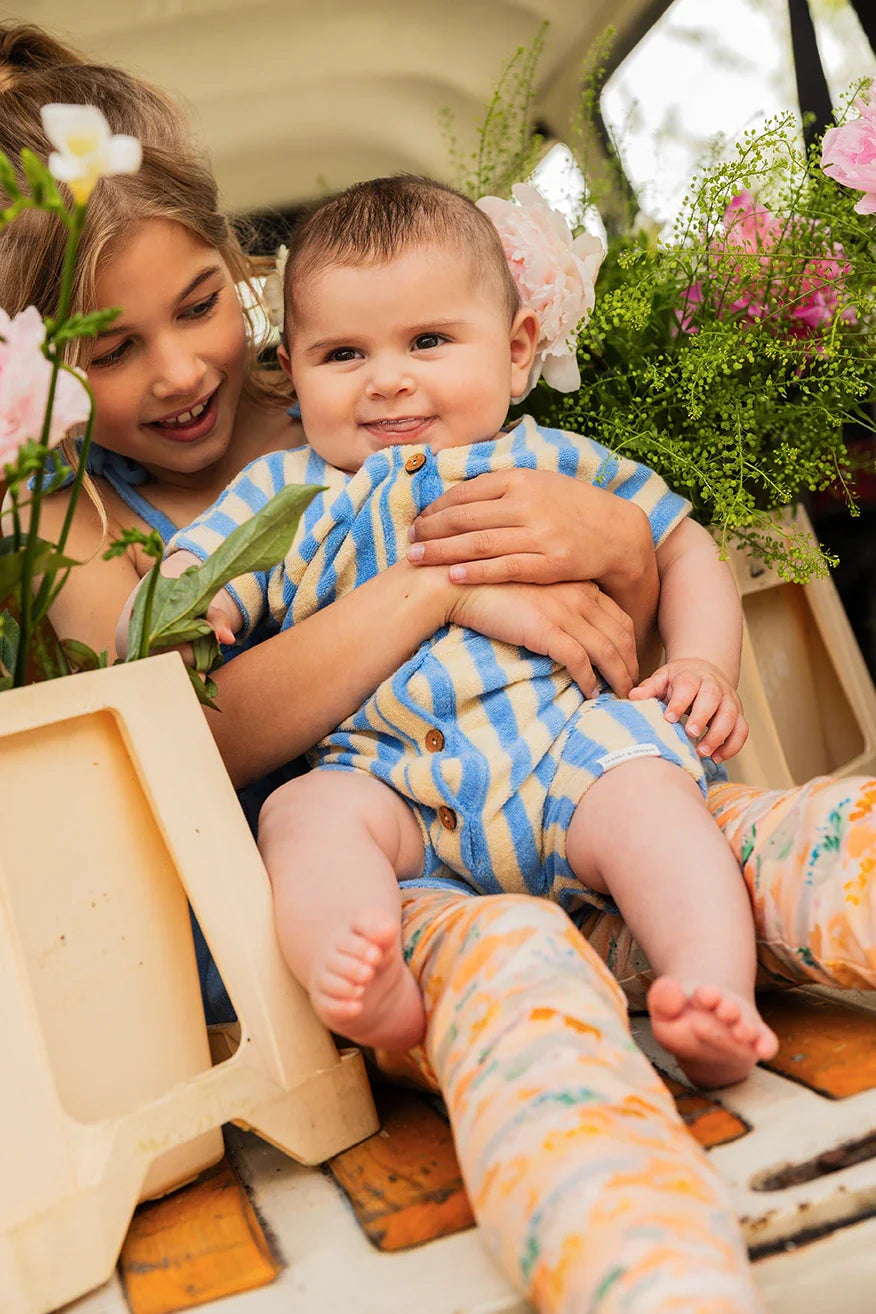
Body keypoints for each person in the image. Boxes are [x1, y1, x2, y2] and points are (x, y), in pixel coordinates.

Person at [2, 24, 874, 1314]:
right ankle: (648, 1277)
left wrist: (619, 545)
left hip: (598, 794)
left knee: (813, 837)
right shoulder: (93, 520)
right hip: (405, 887)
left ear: (239, 278)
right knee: (518, 982)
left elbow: (641, 558)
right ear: (31, 360)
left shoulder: (374, 393)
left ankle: (705, 976)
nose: (183, 371)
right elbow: (192, 724)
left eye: (200, 308)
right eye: (111, 349)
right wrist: (439, 584)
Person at [155, 176, 777, 1088]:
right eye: (343, 355)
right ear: (290, 369)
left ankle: (712, 992)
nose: (388, 377)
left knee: (655, 803)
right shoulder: (281, 496)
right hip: (392, 788)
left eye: (430, 340)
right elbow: (192, 585)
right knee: (302, 818)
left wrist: (701, 665)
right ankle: (370, 985)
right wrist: (198, 605)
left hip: (566, 751)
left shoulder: (547, 460)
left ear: (518, 351)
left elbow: (684, 547)